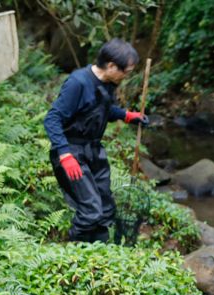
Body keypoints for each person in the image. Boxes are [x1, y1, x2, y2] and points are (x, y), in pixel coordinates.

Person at [43, 39, 148, 243]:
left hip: (93, 150)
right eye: (125, 71)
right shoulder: (78, 82)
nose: (126, 76)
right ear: (110, 66)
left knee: (106, 208)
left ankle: (98, 251)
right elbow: (52, 119)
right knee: (91, 209)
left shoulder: (108, 83)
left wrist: (126, 115)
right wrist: (64, 154)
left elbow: (101, 110)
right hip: (71, 152)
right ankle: (74, 251)